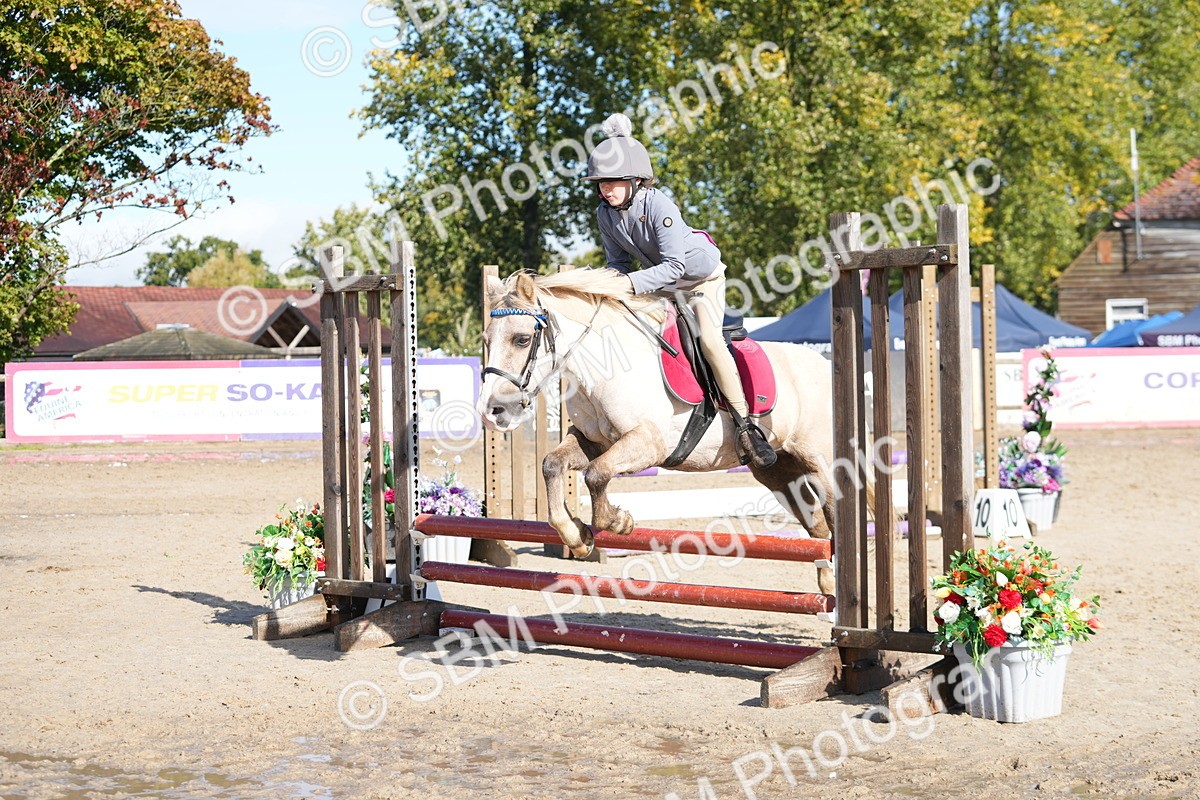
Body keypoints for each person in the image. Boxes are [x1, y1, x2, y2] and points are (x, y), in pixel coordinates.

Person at [584, 112, 777, 469]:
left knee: (708, 341)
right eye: (600, 183)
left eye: (612, 181)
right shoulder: (605, 214)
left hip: (700, 280)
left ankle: (746, 425)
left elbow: (674, 265)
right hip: (663, 286)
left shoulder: (658, 204)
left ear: (635, 179)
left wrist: (628, 284)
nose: (604, 188)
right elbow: (618, 265)